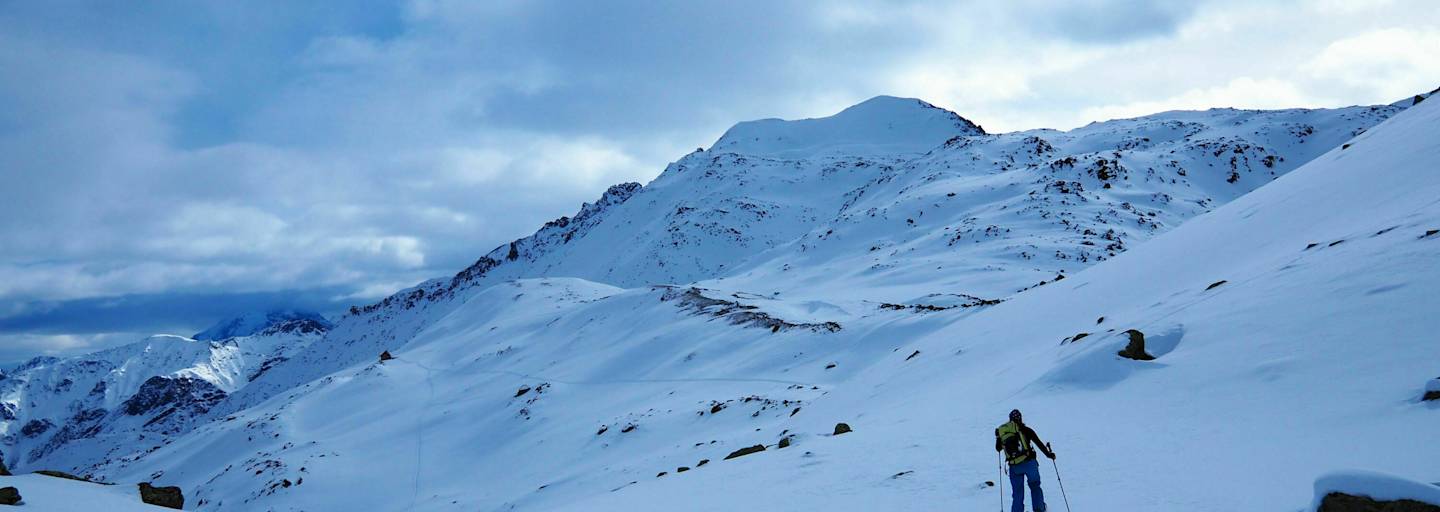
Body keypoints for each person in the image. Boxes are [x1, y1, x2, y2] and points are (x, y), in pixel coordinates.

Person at [995, 409, 1055, 512]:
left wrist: (998, 437)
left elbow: (998, 448)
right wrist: (1049, 455)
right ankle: (1039, 509)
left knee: (1017, 493)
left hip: (1014, 466)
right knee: (1035, 486)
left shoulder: (1005, 433)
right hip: (1029, 463)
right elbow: (1039, 443)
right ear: (1021, 418)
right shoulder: (1027, 430)